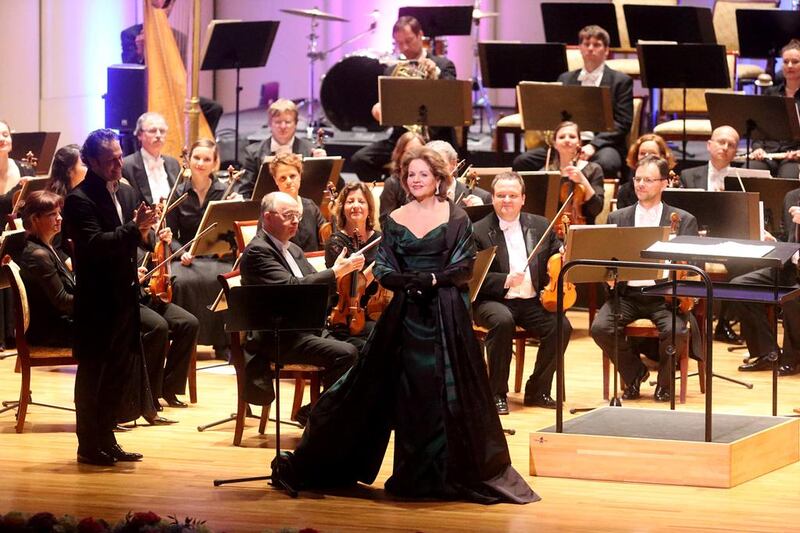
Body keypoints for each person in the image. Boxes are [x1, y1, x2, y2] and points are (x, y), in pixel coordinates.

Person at [273, 147, 537, 503]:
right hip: (406, 314)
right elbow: (382, 267)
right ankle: (399, 472)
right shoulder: (395, 218)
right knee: (401, 391)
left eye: (422, 175)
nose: (415, 180)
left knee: (441, 392)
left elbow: (462, 268)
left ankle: (437, 475)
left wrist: (429, 279)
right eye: (410, 174)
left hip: (445, 314)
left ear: (439, 178)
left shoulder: (457, 217)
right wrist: (406, 282)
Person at [63, 129, 157, 466]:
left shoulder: (127, 193)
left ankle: (108, 439)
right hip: (97, 302)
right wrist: (136, 229)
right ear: (90, 161)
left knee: (117, 373)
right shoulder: (79, 200)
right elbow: (94, 245)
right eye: (110, 160)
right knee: (93, 376)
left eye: (119, 156)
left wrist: (147, 231)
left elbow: (139, 238)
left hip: (125, 298)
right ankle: (88, 445)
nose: (118, 164)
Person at [239, 191, 363, 424]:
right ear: (267, 217)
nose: (296, 221)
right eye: (288, 215)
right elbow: (291, 288)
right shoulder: (258, 251)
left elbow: (315, 288)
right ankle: (321, 416)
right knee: (345, 354)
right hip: (278, 336)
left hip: (305, 327)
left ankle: (326, 412)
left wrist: (338, 274)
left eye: (297, 215)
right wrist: (335, 272)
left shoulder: (293, 249)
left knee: (365, 345)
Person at [590, 155, 698, 403]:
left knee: (676, 329)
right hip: (628, 295)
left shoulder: (683, 220)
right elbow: (607, 259)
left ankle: (664, 384)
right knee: (600, 328)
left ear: (664, 183)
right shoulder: (618, 217)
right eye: (637, 179)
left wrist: (679, 276)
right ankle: (634, 373)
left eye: (648, 180)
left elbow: (694, 267)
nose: (640, 184)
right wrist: (609, 277)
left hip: (664, 296)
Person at [473, 172, 573, 414]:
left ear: (523, 199)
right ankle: (497, 393)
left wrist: (565, 251)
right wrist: (504, 280)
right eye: (501, 195)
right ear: (493, 198)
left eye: (513, 195)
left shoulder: (541, 225)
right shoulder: (477, 230)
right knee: (503, 321)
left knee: (561, 325)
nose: (507, 200)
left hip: (531, 300)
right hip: (492, 300)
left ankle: (537, 390)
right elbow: (471, 277)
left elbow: (555, 253)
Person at [513, 25, 633, 179]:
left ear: (606, 50)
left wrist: (593, 145)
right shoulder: (566, 78)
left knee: (607, 163)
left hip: (602, 145)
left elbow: (623, 122)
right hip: (566, 142)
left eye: (597, 45)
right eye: (586, 44)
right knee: (522, 162)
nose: (590, 49)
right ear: (580, 48)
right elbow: (557, 117)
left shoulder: (620, 81)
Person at [349, 16, 457, 181]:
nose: (404, 47)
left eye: (409, 40)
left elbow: (451, 98)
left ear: (420, 35)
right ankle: (394, 190)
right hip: (402, 139)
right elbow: (385, 104)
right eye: (399, 43)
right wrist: (379, 108)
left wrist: (435, 72)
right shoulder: (391, 71)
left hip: (434, 138)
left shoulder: (443, 65)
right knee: (360, 160)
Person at [166, 138, 232, 359]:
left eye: (206, 159)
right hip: (188, 257)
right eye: (197, 158)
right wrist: (181, 251)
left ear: (215, 163)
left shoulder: (225, 192)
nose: (201, 163)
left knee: (225, 280)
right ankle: (187, 342)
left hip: (217, 256)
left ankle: (223, 343)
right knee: (182, 282)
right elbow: (169, 234)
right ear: (189, 159)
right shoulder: (178, 192)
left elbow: (230, 232)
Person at [678, 125, 744, 345]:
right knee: (692, 262)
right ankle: (694, 321)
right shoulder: (688, 175)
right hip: (698, 240)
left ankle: (724, 322)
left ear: (736, 151)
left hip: (730, 241)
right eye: (721, 142)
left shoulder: (741, 177)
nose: (725, 148)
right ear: (709, 145)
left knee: (743, 267)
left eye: (731, 144)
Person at [120, 0, 223, 134]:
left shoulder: (179, 37)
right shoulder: (131, 35)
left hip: (172, 94)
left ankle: (200, 146)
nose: (163, 10)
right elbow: (129, 75)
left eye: (168, 5)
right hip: (143, 95)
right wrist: (140, 54)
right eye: (158, 5)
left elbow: (180, 74)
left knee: (213, 108)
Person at [733, 186, 800, 375]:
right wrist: (774, 241)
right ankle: (766, 353)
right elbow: (788, 237)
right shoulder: (792, 196)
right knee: (740, 286)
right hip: (789, 267)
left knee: (792, 298)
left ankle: (792, 358)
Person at [324, 182, 382, 341]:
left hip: (375, 308)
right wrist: (379, 264)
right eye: (350, 202)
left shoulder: (379, 238)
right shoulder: (335, 243)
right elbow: (353, 287)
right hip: (346, 315)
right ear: (342, 208)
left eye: (361, 201)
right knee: (385, 334)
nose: (356, 206)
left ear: (369, 208)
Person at [239, 99, 326, 200]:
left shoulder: (311, 150)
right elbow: (245, 193)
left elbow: (334, 187)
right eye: (278, 122)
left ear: (296, 123)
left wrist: (324, 163)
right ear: (270, 124)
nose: (283, 126)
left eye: (288, 122)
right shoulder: (253, 153)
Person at [750, 40, 800, 178]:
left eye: (795, 62)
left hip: (793, 155)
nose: (789, 65)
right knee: (751, 171)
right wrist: (757, 148)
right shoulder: (770, 93)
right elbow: (757, 127)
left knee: (788, 177)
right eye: (785, 61)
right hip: (767, 153)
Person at [544, 121, 604, 224]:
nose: (567, 140)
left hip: (584, 231)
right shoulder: (548, 172)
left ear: (579, 142)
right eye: (562, 137)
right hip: (555, 231)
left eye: (572, 136)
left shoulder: (594, 169)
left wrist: (582, 180)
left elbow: (596, 209)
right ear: (554, 144)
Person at [265, 152, 325, 252]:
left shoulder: (310, 206)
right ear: (276, 180)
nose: (288, 181)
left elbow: (326, 237)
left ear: (300, 176)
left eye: (292, 176)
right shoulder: (270, 211)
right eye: (283, 178)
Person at [122, 112, 183, 205]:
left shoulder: (173, 163)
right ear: (139, 135)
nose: (158, 135)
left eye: (162, 131)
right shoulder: (126, 166)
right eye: (152, 131)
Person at [617, 134, 677, 210]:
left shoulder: (673, 189)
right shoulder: (625, 191)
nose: (647, 156)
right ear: (636, 156)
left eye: (652, 153)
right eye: (642, 153)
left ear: (663, 156)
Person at [379, 131, 425, 227]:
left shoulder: (431, 181)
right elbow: (386, 224)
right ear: (400, 155)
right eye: (410, 151)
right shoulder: (392, 184)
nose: (415, 155)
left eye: (419, 151)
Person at [426, 140, 492, 206]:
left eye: (440, 164)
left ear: (454, 164)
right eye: (429, 164)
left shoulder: (482, 198)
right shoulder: (417, 196)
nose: (435, 170)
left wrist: (478, 212)